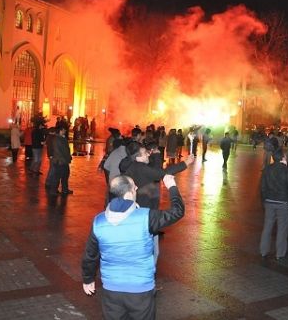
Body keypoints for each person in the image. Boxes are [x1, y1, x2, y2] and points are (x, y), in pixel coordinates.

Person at [81, 174, 184, 319]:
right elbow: (177, 211)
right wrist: (172, 186)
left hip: (111, 289)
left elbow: (90, 255)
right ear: (129, 193)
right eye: (134, 186)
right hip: (141, 289)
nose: (136, 187)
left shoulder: (99, 221)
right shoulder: (146, 217)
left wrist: (88, 279)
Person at [259, 150, 288, 260]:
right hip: (283, 202)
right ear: (283, 158)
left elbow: (262, 187)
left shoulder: (267, 170)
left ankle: (263, 251)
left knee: (267, 226)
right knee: (282, 228)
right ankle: (280, 253)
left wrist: (264, 199)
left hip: (269, 201)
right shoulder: (287, 171)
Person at [45, 126, 73, 195]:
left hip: (61, 160)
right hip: (60, 161)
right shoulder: (59, 139)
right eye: (64, 130)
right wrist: (68, 157)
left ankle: (64, 189)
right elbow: (64, 151)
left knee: (65, 175)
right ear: (61, 131)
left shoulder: (59, 138)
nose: (65, 131)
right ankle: (54, 190)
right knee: (58, 176)